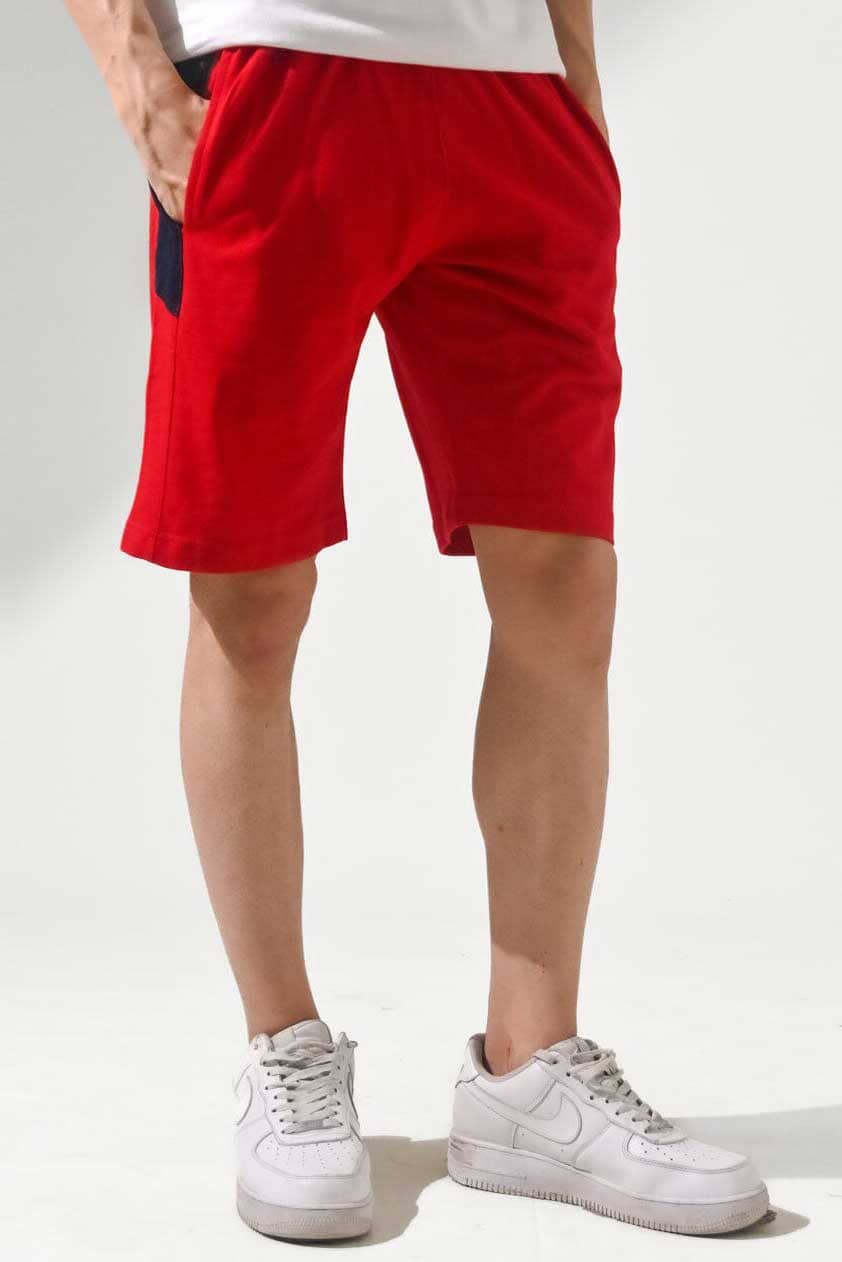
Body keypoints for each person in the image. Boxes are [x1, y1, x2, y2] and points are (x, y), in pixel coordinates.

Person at [64, 0, 769, 1241]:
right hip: (268, 75)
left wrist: (573, 70)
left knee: (562, 575)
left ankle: (528, 1072)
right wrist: (133, 70)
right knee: (249, 586)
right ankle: (284, 1049)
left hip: (509, 90)